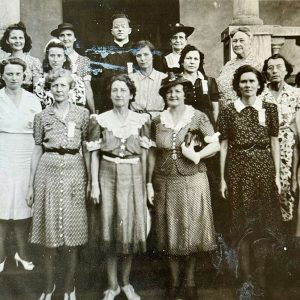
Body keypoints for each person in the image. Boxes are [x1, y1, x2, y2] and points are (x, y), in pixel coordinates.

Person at [147, 74, 219, 300]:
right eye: (168, 90)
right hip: (165, 179)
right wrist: (149, 181)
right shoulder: (157, 120)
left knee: (191, 229)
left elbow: (215, 145)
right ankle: (175, 281)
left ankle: (190, 282)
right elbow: (151, 152)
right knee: (170, 231)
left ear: (185, 93)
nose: (173, 94)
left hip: (193, 179)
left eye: (177, 90)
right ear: (163, 94)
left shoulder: (198, 116)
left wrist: (197, 154)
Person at [218, 65, 283, 298]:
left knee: (264, 224)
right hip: (238, 169)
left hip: (264, 169)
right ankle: (245, 281)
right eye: (243, 81)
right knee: (242, 223)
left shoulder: (270, 108)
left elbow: (274, 141)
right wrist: (223, 179)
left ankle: (261, 278)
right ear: (237, 85)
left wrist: (276, 175)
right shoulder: (228, 110)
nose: (247, 85)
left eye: (251, 81)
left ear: (259, 84)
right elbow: (223, 145)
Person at [26, 69, 90, 299]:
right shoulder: (41, 117)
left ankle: (69, 288)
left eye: (63, 86)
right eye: (55, 86)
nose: (59, 89)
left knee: (72, 235)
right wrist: (31, 185)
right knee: (48, 234)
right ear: (49, 89)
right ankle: (48, 286)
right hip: (47, 170)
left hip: (74, 169)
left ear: (71, 88)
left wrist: (90, 180)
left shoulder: (83, 114)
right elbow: (36, 149)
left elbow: (87, 149)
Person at [88, 74, 151, 300]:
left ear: (131, 94)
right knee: (110, 227)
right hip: (107, 174)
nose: (119, 94)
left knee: (130, 228)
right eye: (115, 90)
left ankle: (126, 282)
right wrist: (94, 184)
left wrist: (147, 184)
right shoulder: (99, 120)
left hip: (133, 175)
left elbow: (145, 155)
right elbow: (94, 154)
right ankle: (112, 285)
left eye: (123, 90)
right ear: (110, 94)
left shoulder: (142, 120)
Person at [0, 57, 41, 272]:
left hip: (26, 156)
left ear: (24, 76)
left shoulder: (33, 100)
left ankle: (21, 253)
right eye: (9, 74)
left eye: (18, 74)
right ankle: (0, 256)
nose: (14, 78)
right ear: (2, 76)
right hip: (3, 156)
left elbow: (38, 134)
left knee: (24, 204)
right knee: (2, 204)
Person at [261, 54, 300, 222]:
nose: (275, 71)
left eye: (279, 67)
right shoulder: (260, 95)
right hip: (264, 146)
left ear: (286, 70)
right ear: (265, 72)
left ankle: (287, 235)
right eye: (270, 67)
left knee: (287, 190)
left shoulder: (296, 94)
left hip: (289, 148)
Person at [86, 13, 136, 113]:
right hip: (108, 103)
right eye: (116, 27)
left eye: (123, 27)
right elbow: (98, 83)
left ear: (129, 30)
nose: (120, 30)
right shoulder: (103, 53)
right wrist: (98, 107)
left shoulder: (137, 52)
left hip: (133, 104)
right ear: (112, 31)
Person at [51, 22, 95, 113]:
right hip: (57, 106)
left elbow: (87, 87)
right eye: (62, 35)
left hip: (78, 106)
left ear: (75, 38)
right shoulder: (53, 59)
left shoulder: (83, 60)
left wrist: (93, 112)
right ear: (58, 38)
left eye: (69, 35)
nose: (66, 38)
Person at [34, 39, 87, 110]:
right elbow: (38, 110)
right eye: (52, 55)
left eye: (59, 56)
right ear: (47, 58)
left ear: (64, 58)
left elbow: (81, 108)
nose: (55, 60)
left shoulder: (77, 81)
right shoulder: (40, 84)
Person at [216, 26, 262, 107]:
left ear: (250, 42)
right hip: (225, 111)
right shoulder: (228, 65)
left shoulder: (258, 64)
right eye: (234, 41)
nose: (237, 44)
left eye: (241, 40)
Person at [180, 44, 219, 127]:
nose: (192, 62)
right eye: (188, 58)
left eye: (196, 59)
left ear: (199, 62)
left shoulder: (210, 81)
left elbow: (215, 109)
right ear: (182, 62)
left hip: (206, 128)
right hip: (183, 128)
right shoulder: (176, 83)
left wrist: (214, 129)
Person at [0, 22, 42, 92]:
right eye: (14, 38)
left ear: (25, 40)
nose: (18, 41)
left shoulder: (34, 62)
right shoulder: (2, 62)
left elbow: (37, 89)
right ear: (7, 40)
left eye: (21, 38)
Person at [130, 40, 167, 117]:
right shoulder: (130, 79)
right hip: (135, 121)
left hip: (158, 121)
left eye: (146, 54)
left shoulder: (163, 78)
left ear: (153, 56)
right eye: (138, 55)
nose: (142, 59)